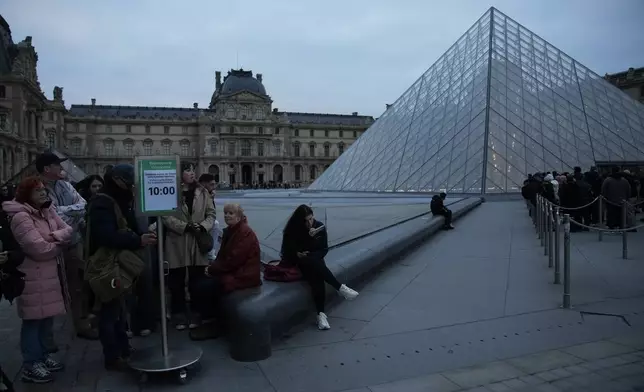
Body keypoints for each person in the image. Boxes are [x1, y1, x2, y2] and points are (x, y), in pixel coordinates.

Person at [85, 164, 157, 370]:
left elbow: (130, 225)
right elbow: (106, 236)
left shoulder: (118, 200)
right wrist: (137, 240)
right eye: (129, 182)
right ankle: (113, 356)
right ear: (117, 181)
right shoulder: (102, 203)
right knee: (109, 312)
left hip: (118, 262)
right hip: (107, 265)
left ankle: (123, 348)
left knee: (118, 310)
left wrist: (142, 235)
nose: (131, 186)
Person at [2, 177, 72, 384]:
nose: (43, 193)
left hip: (49, 273)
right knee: (33, 320)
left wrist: (53, 237)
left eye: (44, 190)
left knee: (46, 318)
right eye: (37, 191)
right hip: (32, 276)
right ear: (26, 195)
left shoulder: (46, 210)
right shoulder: (21, 217)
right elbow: (38, 249)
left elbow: (68, 230)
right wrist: (58, 244)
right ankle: (31, 365)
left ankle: (42, 356)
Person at [35, 152, 96, 340]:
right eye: (57, 165)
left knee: (78, 285)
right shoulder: (36, 188)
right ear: (47, 168)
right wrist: (68, 213)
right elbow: (48, 214)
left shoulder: (65, 185)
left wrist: (60, 213)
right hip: (49, 246)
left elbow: (83, 205)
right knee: (49, 291)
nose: (61, 167)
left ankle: (81, 324)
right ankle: (46, 337)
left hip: (73, 243)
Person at [189, 203, 262, 341]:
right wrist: (212, 268)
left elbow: (234, 260)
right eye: (226, 213)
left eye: (231, 213)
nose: (227, 215)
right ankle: (205, 318)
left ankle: (212, 323)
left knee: (207, 286)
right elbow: (224, 257)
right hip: (235, 271)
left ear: (239, 217)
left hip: (244, 275)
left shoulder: (244, 233)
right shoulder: (231, 231)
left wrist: (212, 269)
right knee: (198, 281)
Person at [281, 204, 359, 330]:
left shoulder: (319, 227)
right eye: (305, 221)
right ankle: (339, 289)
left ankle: (321, 314)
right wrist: (298, 253)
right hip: (297, 262)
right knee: (314, 267)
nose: (309, 223)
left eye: (311, 219)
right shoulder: (293, 229)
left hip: (314, 261)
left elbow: (323, 250)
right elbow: (286, 251)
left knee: (315, 272)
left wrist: (311, 249)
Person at [160, 163, 216, 330]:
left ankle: (196, 313)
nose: (192, 173)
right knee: (176, 281)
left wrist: (203, 226)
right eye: (188, 170)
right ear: (179, 173)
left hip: (197, 239)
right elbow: (165, 215)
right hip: (177, 239)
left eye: (193, 170)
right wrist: (184, 226)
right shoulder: (170, 191)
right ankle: (178, 314)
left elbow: (211, 214)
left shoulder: (203, 192)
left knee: (197, 279)